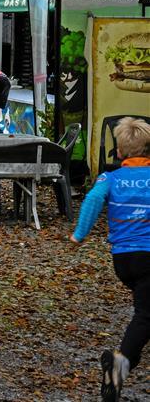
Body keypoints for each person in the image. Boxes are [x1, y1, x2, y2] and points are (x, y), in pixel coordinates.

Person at [71, 117, 150, 401]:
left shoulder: (110, 178)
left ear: (118, 152)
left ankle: (125, 364)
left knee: (146, 310)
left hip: (123, 260)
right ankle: (121, 362)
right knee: (145, 314)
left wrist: (79, 234)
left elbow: (92, 200)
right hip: (148, 255)